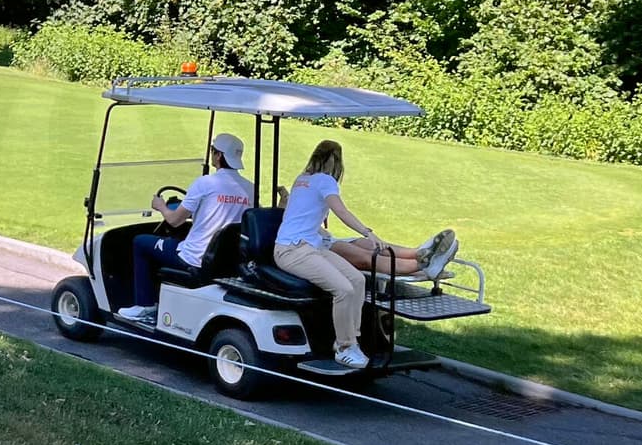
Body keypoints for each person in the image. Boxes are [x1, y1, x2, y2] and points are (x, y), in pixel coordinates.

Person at [273, 140, 458, 369]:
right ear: (336, 162)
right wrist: (367, 233)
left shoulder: (303, 179)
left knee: (357, 280)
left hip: (311, 246)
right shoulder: (325, 181)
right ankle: (344, 346)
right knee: (343, 289)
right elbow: (340, 210)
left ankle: (352, 339)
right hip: (293, 250)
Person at [119, 133, 254, 323]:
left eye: (213, 151)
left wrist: (161, 206)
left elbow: (174, 221)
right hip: (226, 261)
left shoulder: (206, 183)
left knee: (140, 242)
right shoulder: (250, 188)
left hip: (194, 258)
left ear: (218, 156)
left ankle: (145, 305)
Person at [277, 186, 457, 278]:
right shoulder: (287, 222)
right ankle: (422, 265)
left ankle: (418, 253)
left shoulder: (306, 191)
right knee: (366, 256)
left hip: (326, 238)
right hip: (318, 245)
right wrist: (284, 202)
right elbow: (282, 218)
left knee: (369, 245)